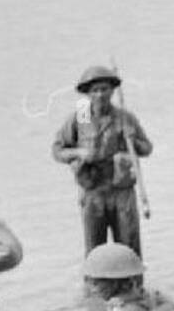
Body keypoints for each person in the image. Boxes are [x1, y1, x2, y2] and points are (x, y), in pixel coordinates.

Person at [52, 65, 152, 259]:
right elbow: (57, 150)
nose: (100, 94)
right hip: (93, 191)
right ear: (88, 94)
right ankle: (96, 288)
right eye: (95, 90)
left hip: (122, 192)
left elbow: (147, 148)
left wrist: (135, 141)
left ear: (112, 90)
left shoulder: (125, 117)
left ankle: (133, 285)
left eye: (104, 89)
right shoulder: (79, 118)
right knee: (94, 249)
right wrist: (79, 152)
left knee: (129, 247)